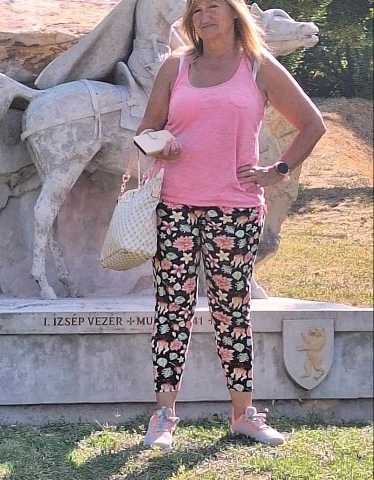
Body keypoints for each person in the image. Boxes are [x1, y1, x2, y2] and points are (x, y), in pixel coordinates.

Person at [136, 0, 326, 449]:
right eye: (197, 9)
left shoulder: (259, 66)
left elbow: (312, 124)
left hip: (235, 209)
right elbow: (144, 133)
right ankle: (164, 416)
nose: (205, 15)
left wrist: (277, 171)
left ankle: (244, 416)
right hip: (174, 205)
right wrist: (163, 145)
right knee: (172, 310)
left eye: (214, 6)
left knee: (233, 312)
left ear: (234, 14)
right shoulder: (175, 67)